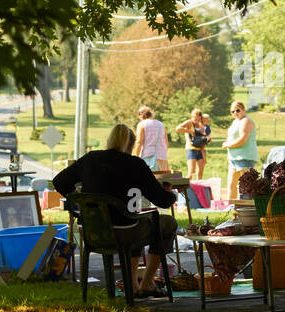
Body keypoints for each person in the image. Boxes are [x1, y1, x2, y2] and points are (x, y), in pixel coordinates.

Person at [53, 123, 178, 298]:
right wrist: (172, 194)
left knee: (133, 219)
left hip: (92, 232)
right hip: (126, 234)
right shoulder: (136, 164)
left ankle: (133, 284)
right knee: (166, 223)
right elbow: (163, 201)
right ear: (130, 144)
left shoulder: (90, 159)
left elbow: (59, 181)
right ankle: (148, 282)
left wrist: (78, 201)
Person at [222, 100, 258, 199]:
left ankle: (248, 208)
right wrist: (227, 143)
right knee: (231, 184)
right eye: (232, 111)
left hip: (245, 157)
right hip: (234, 158)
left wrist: (228, 145)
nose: (235, 113)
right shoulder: (235, 122)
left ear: (243, 110)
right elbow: (232, 137)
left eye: (238, 110)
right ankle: (231, 208)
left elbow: (243, 139)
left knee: (246, 186)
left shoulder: (246, 121)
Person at [175, 109, 212, 179]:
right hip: (191, 149)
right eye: (195, 118)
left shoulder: (201, 125)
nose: (196, 121)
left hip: (200, 150)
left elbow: (204, 138)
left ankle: (198, 188)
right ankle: (186, 188)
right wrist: (189, 131)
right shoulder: (189, 123)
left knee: (200, 173)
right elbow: (178, 128)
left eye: (198, 119)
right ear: (192, 116)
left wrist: (207, 139)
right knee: (191, 172)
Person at [133, 105, 170, 172]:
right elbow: (166, 142)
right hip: (163, 156)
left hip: (148, 156)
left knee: (148, 180)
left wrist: (136, 157)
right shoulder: (161, 124)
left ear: (141, 115)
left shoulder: (142, 125)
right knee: (163, 180)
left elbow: (139, 142)